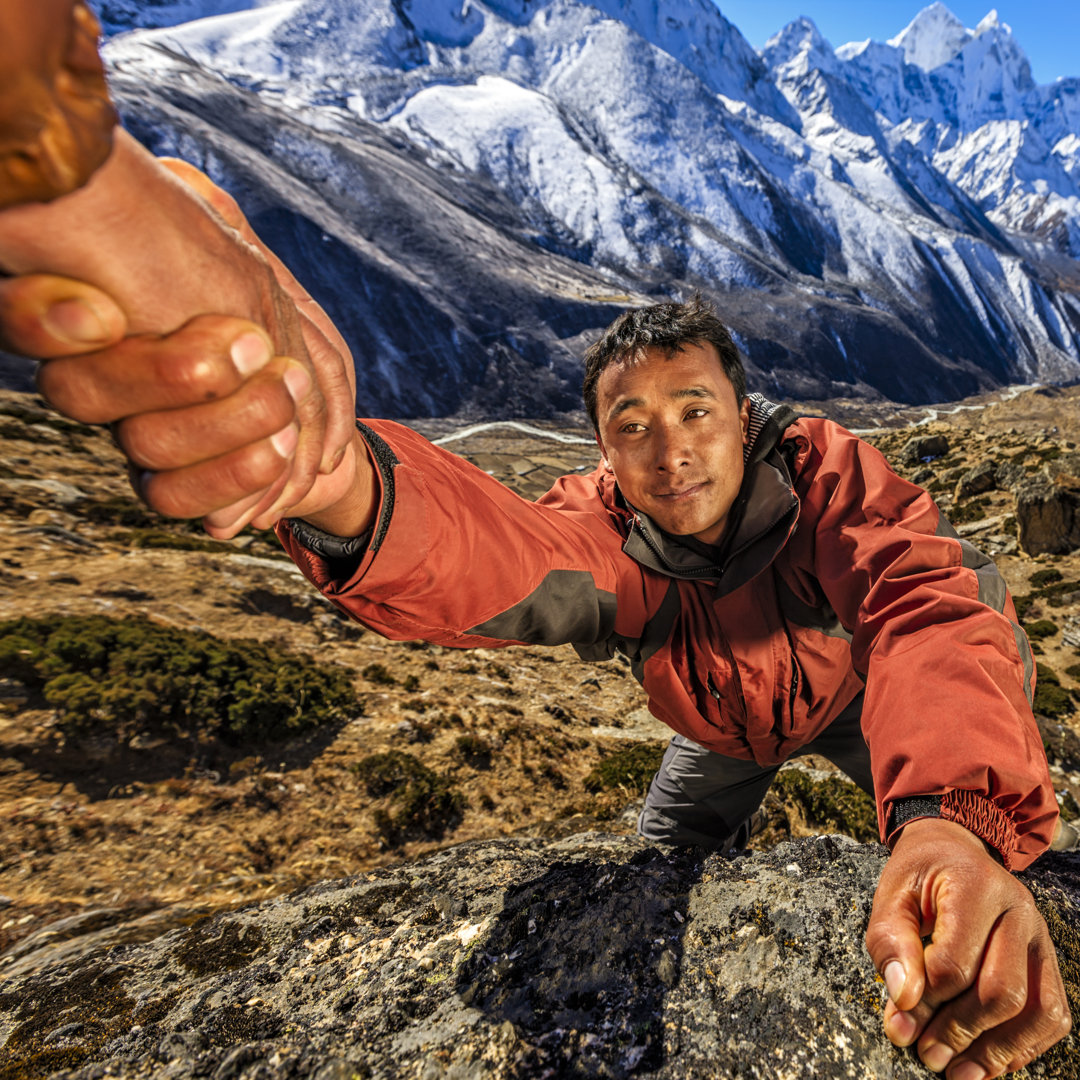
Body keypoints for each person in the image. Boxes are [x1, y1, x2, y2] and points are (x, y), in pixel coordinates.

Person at [0, 8, 1070, 1079]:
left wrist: (950, 822)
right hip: (724, 730)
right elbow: (496, 552)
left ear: (744, 419)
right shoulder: (608, 531)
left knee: (980, 854)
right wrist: (338, 483)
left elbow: (927, 608)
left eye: (696, 412)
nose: (672, 453)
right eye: (632, 428)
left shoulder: (827, 478)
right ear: (602, 450)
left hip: (849, 705)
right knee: (662, 868)